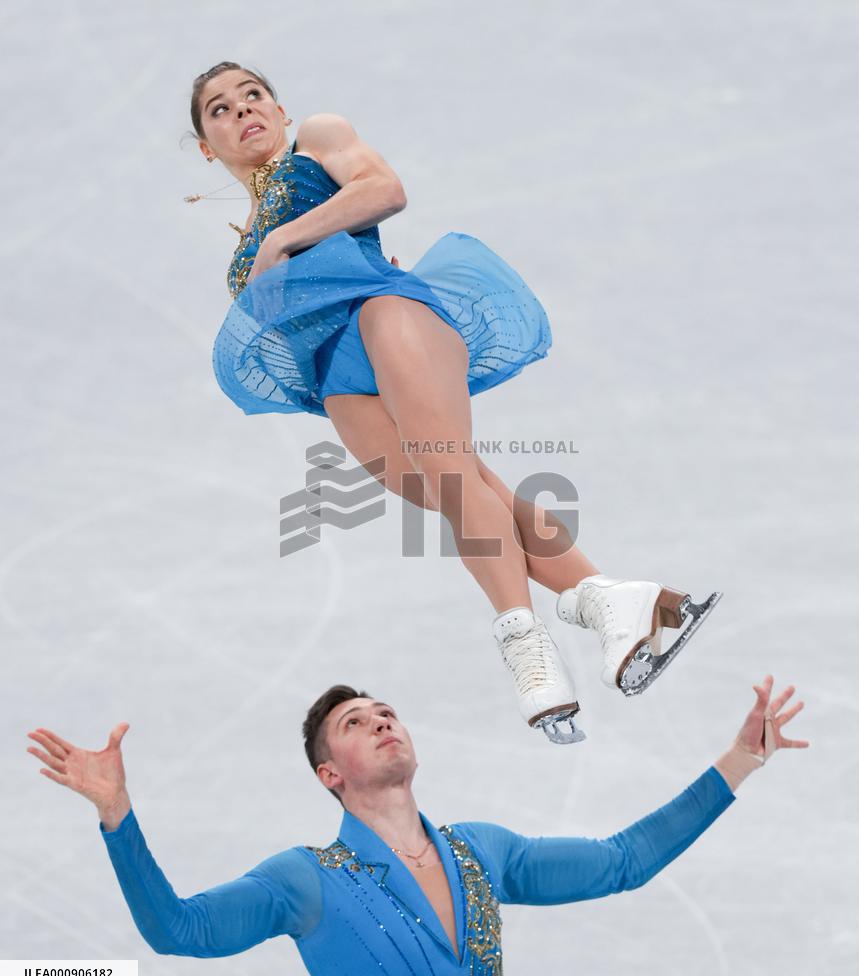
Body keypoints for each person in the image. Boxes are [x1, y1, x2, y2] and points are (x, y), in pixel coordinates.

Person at [188, 61, 721, 742]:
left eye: (253, 95)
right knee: (461, 490)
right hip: (336, 378)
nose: (242, 112)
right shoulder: (247, 239)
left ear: (281, 109)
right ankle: (611, 600)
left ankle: (526, 645)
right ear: (207, 145)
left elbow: (383, 189)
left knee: (449, 471)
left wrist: (286, 238)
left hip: (387, 315)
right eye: (221, 111)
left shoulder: (317, 139)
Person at [27, 676, 807, 976]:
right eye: (353, 725)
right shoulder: (306, 880)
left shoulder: (481, 853)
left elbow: (622, 862)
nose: (380, 721)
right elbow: (179, 930)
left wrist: (740, 759)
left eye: (384, 712)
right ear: (330, 774)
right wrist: (116, 816)